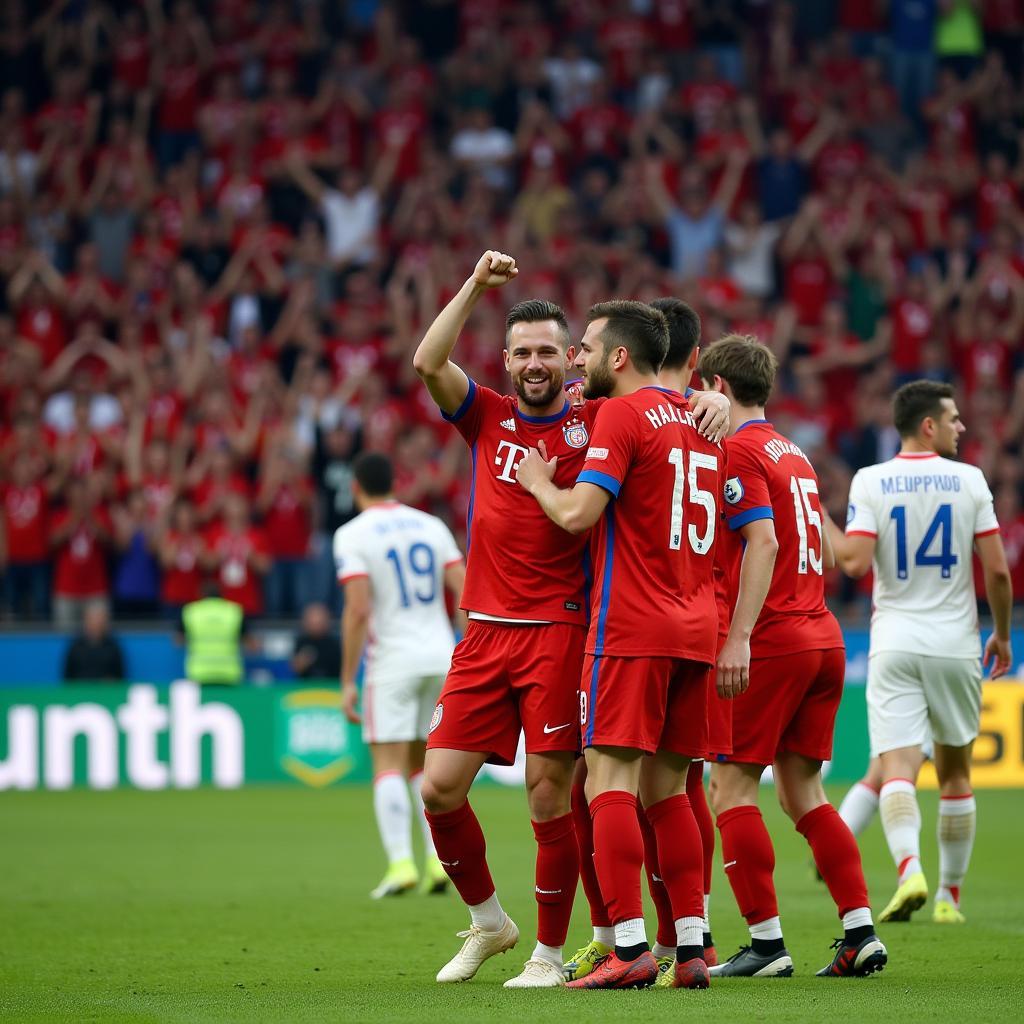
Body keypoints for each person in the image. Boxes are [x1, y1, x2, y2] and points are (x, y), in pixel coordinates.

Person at [412, 251, 728, 989]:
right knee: (437, 787)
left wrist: (706, 402)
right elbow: (429, 362)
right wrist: (473, 287)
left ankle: (550, 955)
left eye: (551, 351)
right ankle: (491, 922)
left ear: (571, 363)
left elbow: (656, 402)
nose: (535, 363)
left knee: (554, 793)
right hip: (485, 629)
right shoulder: (485, 415)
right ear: (506, 359)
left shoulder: (598, 419)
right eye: (521, 352)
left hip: (566, 629)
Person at [517, 300, 722, 991]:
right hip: (698, 627)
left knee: (605, 781)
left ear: (619, 358)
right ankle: (691, 948)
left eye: (585, 349)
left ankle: (627, 946)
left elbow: (579, 514)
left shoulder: (623, 415)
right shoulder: (698, 418)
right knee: (670, 789)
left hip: (633, 626)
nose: (575, 360)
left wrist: (542, 481)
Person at [695, 335, 887, 979]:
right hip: (823, 634)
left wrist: (739, 635)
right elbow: (829, 550)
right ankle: (860, 931)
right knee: (804, 791)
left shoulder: (740, 452)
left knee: (729, 787)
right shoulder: (792, 451)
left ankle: (767, 943)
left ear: (718, 389)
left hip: (772, 639)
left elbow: (764, 544)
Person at [826, 380, 1012, 925]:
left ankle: (909, 867)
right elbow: (998, 571)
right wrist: (1000, 633)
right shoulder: (970, 480)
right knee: (955, 773)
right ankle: (949, 898)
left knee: (897, 768)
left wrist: (820, 518)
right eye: (953, 418)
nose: (961, 427)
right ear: (927, 425)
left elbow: (855, 563)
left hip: (894, 642)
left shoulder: (872, 480)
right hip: (956, 645)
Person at [334, 452, 466, 900]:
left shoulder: (351, 534)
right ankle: (436, 861)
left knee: (387, 764)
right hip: (441, 656)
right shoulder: (430, 525)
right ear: (395, 483)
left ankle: (400, 864)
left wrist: (348, 679)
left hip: (392, 661)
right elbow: (464, 590)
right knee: (423, 765)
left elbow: (357, 609)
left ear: (356, 488)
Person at [178, 581, 248, 686]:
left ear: (201, 594)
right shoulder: (234, 611)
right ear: (222, 594)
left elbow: (179, 641)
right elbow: (249, 643)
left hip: (199, 672)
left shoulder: (191, 611)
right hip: (229, 672)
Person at [62, 602, 126, 682]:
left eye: (99, 620)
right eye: (92, 619)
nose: (96, 623)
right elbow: (67, 678)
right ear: (86, 622)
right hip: (80, 692)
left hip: (105, 692)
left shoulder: (113, 647)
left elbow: (120, 678)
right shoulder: (75, 647)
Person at [290, 602, 341, 680]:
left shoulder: (335, 643)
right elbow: (295, 668)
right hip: (305, 687)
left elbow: (342, 669)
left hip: (331, 686)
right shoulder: (301, 641)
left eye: (319, 619)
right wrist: (301, 662)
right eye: (313, 619)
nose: (316, 622)